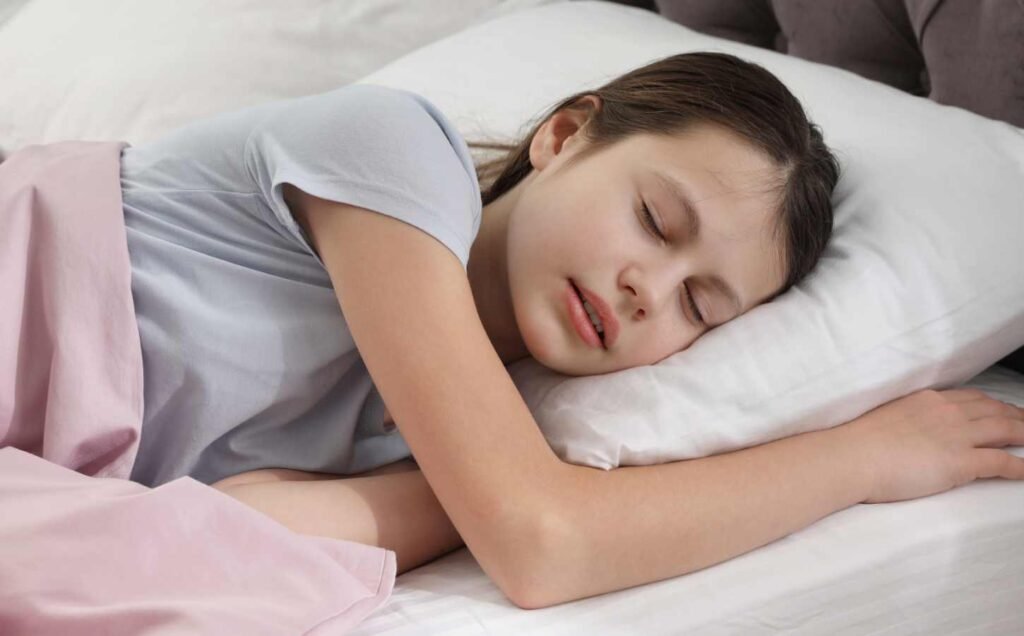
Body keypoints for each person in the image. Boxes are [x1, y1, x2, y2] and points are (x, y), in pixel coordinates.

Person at [116, 52, 1024, 609]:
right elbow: (541, 544)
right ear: (566, 134)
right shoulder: (390, 149)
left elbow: (227, 528)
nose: (647, 292)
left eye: (700, 307)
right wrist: (863, 460)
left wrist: (502, 481)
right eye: (657, 222)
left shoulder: (420, 431)